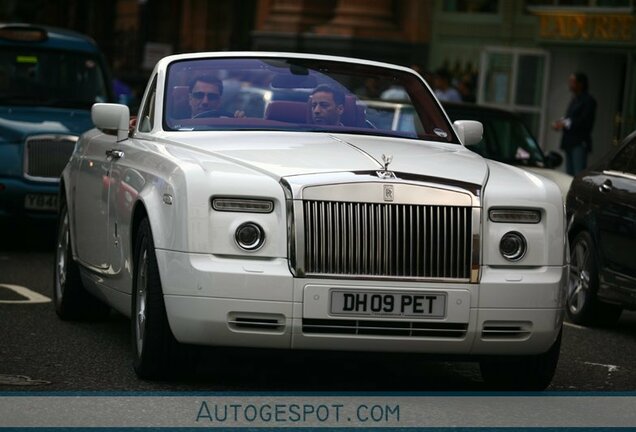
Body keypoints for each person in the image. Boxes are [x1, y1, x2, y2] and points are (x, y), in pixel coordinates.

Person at [552, 72, 597, 176]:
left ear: (580, 84)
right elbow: (570, 117)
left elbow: (584, 121)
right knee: (569, 174)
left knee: (578, 172)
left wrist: (565, 124)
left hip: (579, 142)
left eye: (572, 82)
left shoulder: (588, 100)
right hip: (569, 141)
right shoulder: (575, 99)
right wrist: (561, 122)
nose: (570, 84)